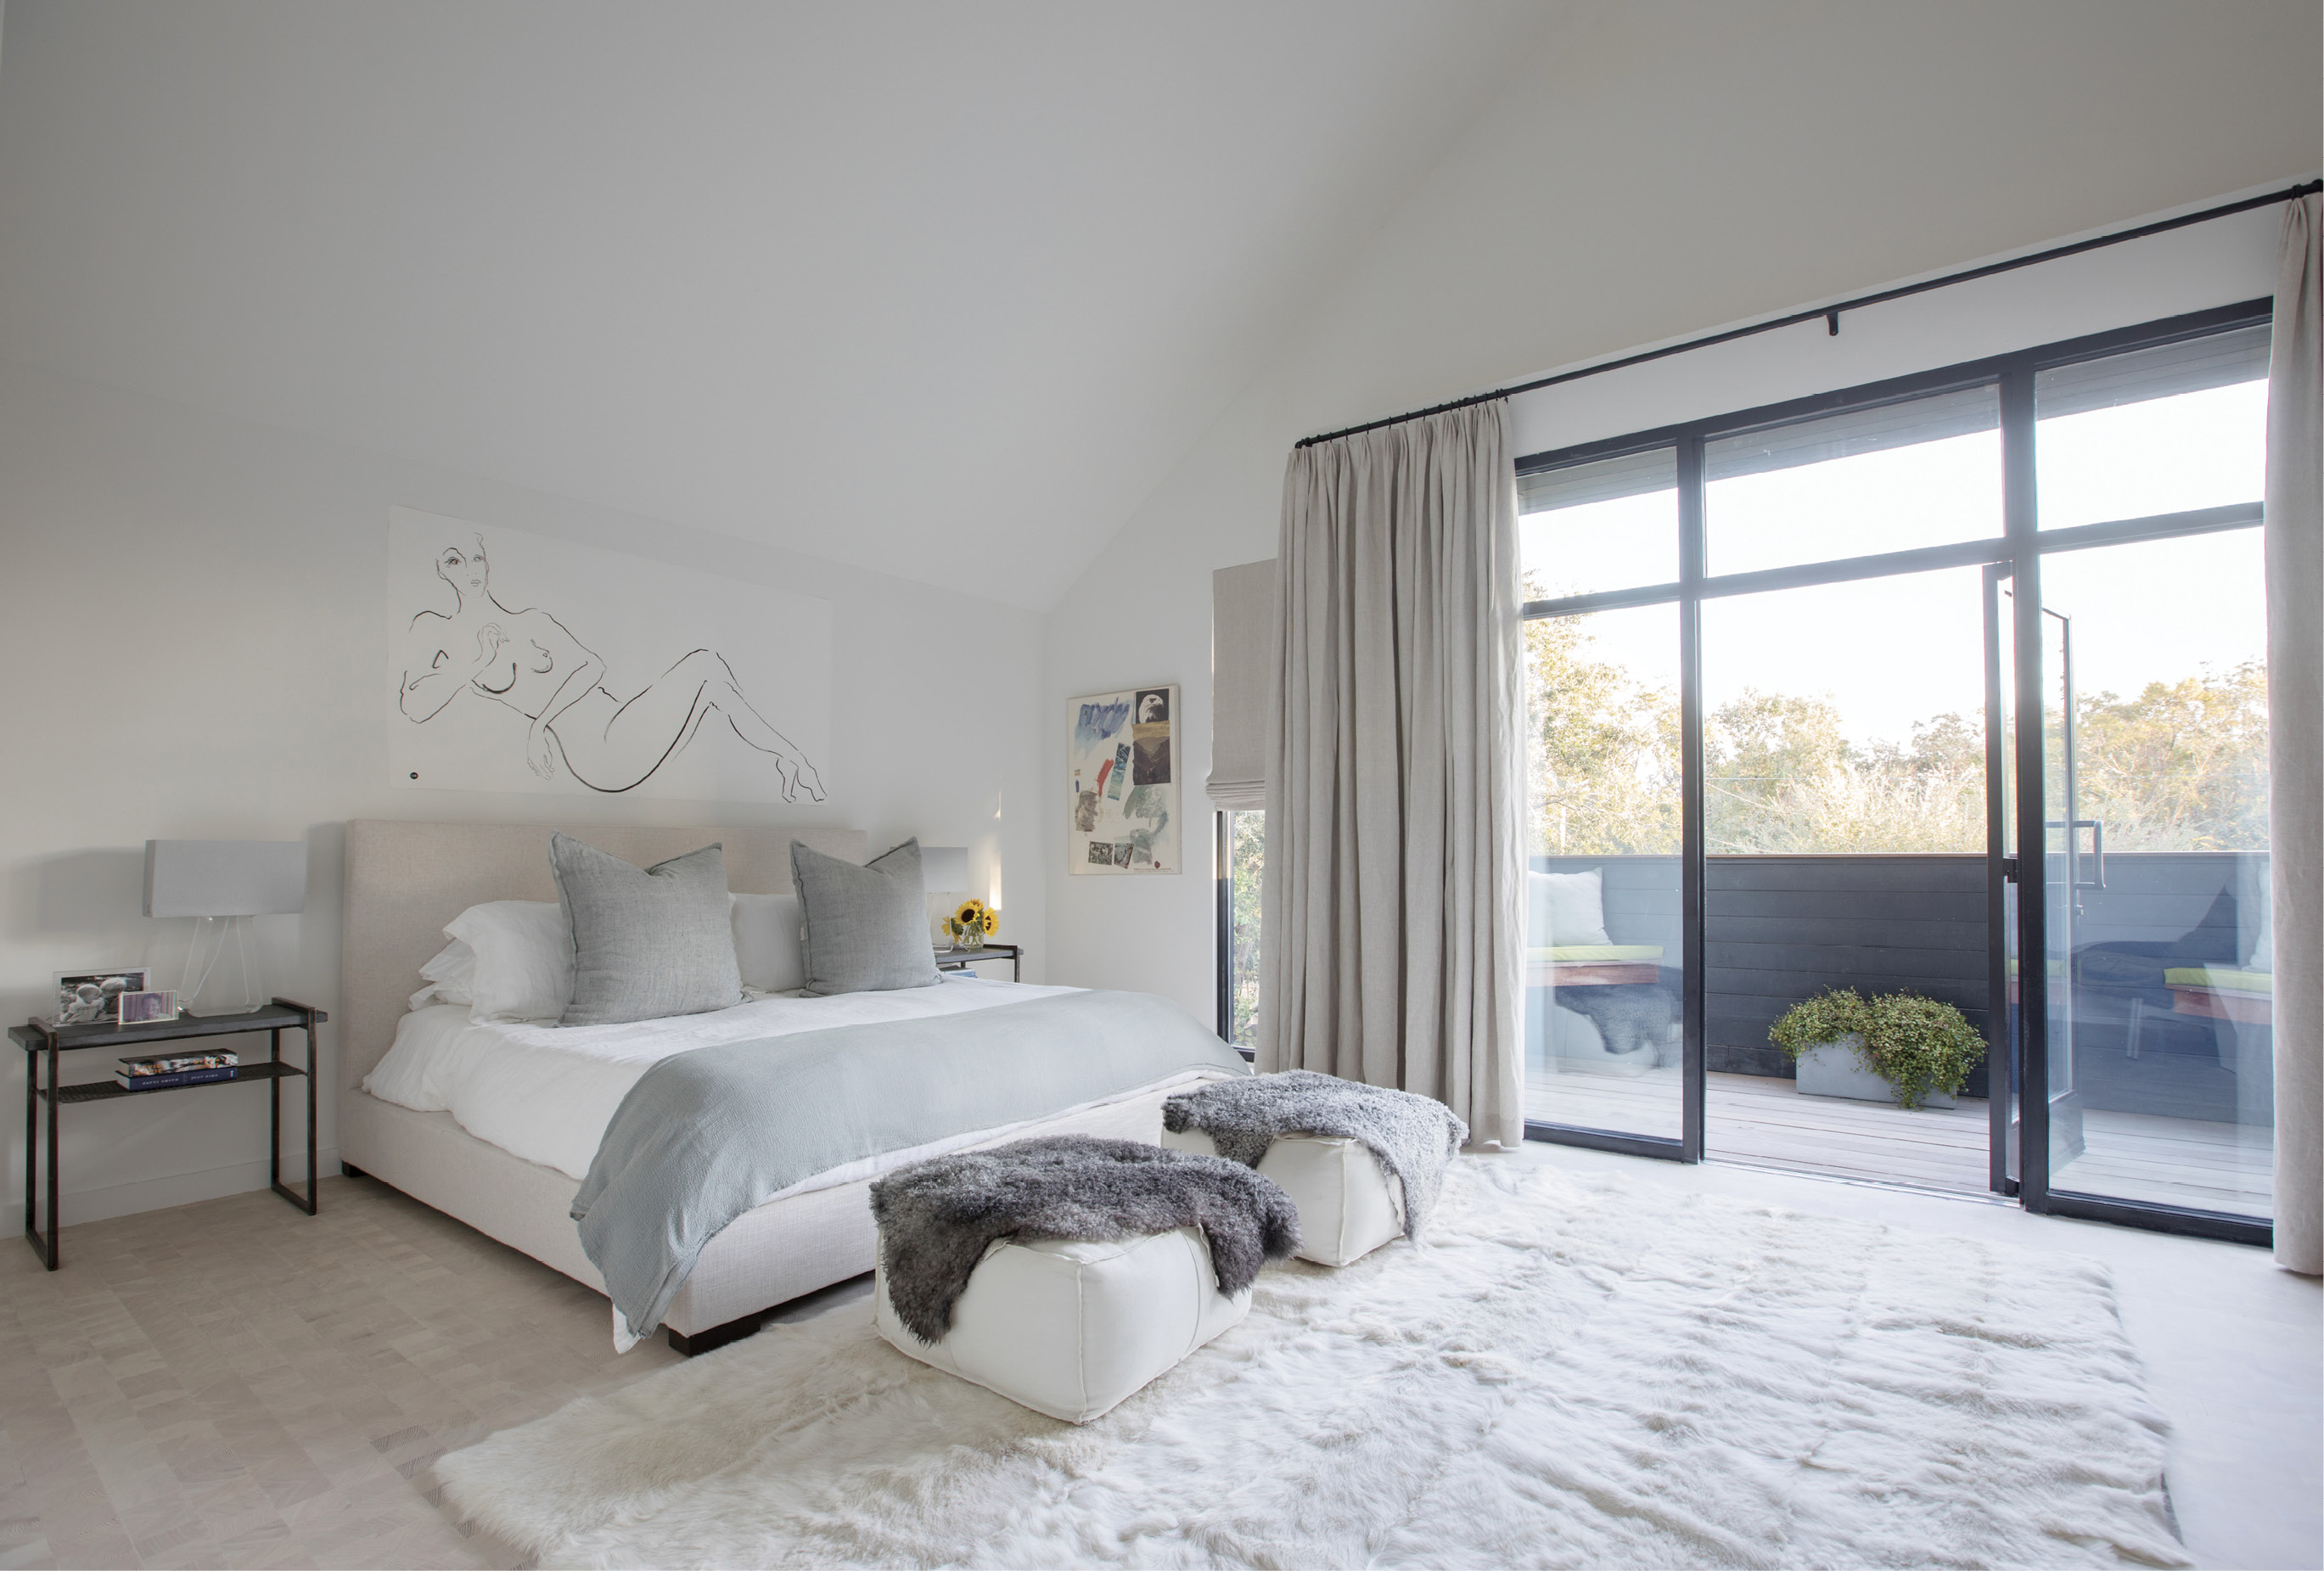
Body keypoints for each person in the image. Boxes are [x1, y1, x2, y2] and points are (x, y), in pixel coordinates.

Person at [399, 536, 825, 800]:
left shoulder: (530, 622)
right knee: (707, 666)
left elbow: (592, 666)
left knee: (714, 684)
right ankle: (793, 758)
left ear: (487, 563)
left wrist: (537, 726)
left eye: (476, 557)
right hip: (600, 751)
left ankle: (791, 758)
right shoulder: (433, 628)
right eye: (455, 561)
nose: (470, 569)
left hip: (619, 722)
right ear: (440, 569)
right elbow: (414, 706)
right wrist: (474, 663)